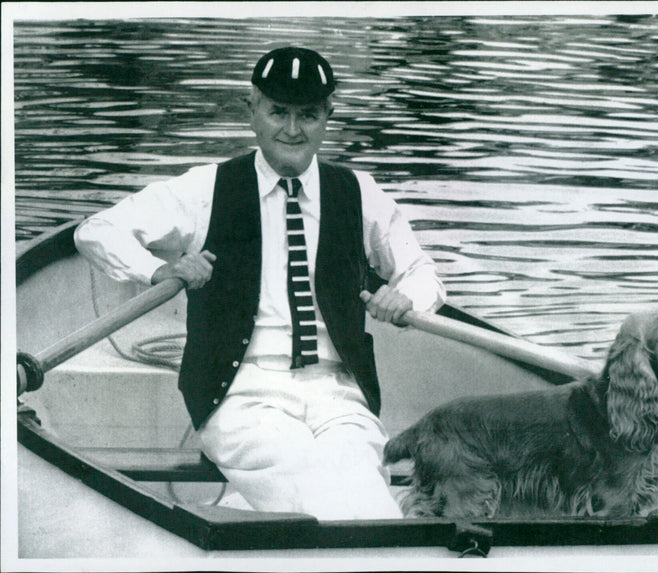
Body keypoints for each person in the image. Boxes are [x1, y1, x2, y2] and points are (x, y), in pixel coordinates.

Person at [74, 46, 445, 520]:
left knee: (362, 489)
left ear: (328, 115)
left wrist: (405, 295)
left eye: (308, 114)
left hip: (339, 394)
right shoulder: (204, 189)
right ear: (252, 111)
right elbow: (96, 231)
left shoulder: (358, 192)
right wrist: (159, 269)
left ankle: (245, 501)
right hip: (240, 393)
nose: (292, 130)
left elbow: (423, 272)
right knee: (318, 492)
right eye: (278, 112)